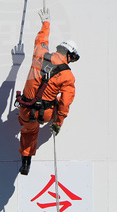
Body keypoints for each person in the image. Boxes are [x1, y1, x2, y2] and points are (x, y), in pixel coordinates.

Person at [16, 8, 79, 175]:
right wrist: (58, 123)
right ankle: (28, 155)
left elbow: (41, 39)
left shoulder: (39, 53)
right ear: (70, 56)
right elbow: (66, 102)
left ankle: (25, 161)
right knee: (59, 101)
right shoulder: (68, 76)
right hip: (46, 114)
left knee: (29, 130)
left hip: (25, 109)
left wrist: (46, 23)